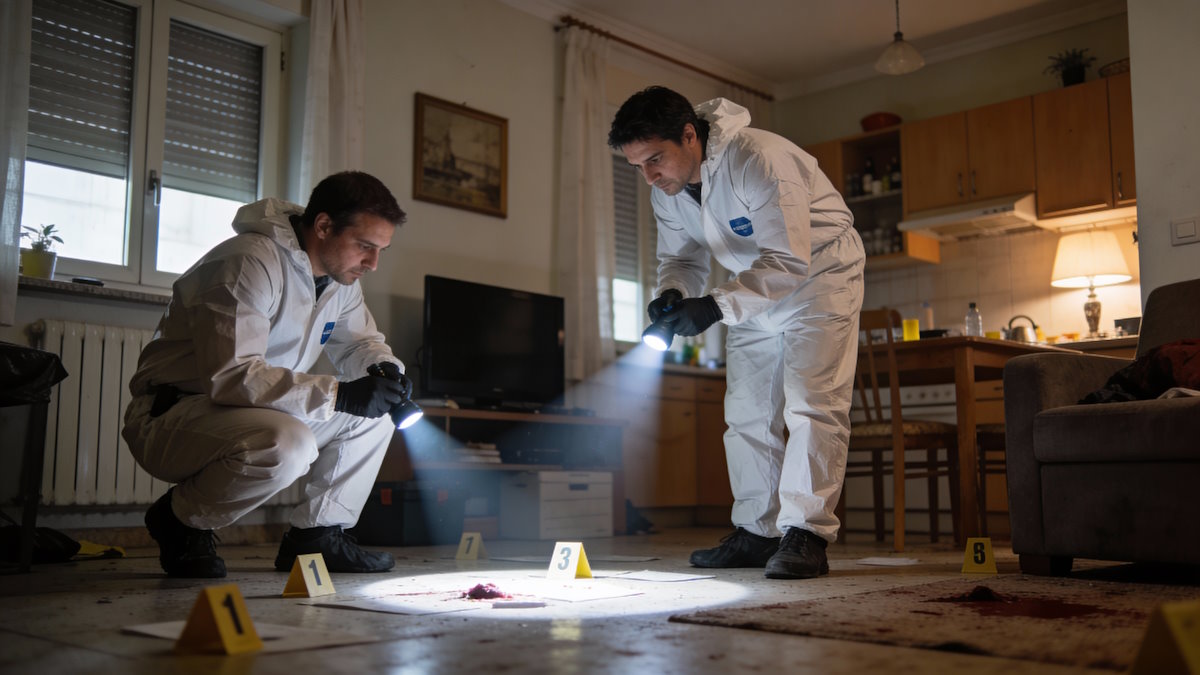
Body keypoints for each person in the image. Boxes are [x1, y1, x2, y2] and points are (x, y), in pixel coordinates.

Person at [609, 86, 864, 579]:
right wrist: (673, 292)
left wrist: (714, 306)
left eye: (655, 159)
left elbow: (788, 260)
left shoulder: (759, 159)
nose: (649, 176)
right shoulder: (667, 190)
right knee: (746, 413)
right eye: (638, 166)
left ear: (689, 135)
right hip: (752, 283)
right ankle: (757, 531)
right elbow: (681, 258)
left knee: (812, 403)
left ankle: (806, 533)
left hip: (821, 275)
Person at [123, 171, 413, 578]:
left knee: (376, 416)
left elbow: (359, 344)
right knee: (287, 443)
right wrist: (341, 395)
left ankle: (316, 537)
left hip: (253, 409)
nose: (373, 263)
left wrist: (385, 372)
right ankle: (179, 520)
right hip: (175, 414)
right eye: (365, 246)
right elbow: (232, 375)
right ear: (324, 226)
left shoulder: (340, 281)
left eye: (380, 250)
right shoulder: (247, 262)